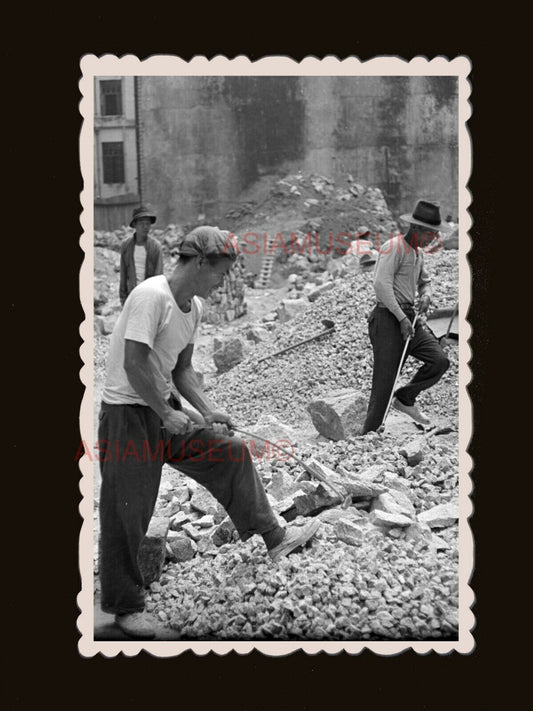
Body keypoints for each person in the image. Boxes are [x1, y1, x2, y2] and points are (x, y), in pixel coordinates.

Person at [98, 225, 319, 639]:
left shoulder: (193, 307)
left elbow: (182, 369)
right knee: (127, 509)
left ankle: (273, 536)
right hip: (128, 415)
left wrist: (208, 409)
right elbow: (133, 362)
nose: (222, 282)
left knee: (231, 452)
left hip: (166, 413)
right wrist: (164, 412)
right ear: (199, 262)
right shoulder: (151, 296)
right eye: (220, 272)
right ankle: (125, 608)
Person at [361, 200, 451, 433]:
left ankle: (405, 398)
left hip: (409, 318)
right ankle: (368, 436)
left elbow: (426, 282)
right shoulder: (394, 247)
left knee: (439, 360)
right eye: (430, 234)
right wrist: (401, 318)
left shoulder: (418, 254)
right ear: (416, 229)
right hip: (387, 318)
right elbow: (381, 285)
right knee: (384, 382)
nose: (433, 239)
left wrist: (426, 295)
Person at [119, 205, 164, 306]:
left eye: (148, 224)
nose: (145, 227)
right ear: (134, 225)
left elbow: (159, 276)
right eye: (142, 223)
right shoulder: (126, 246)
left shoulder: (156, 246)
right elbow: (123, 273)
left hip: (149, 296)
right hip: (132, 295)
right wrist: (123, 298)